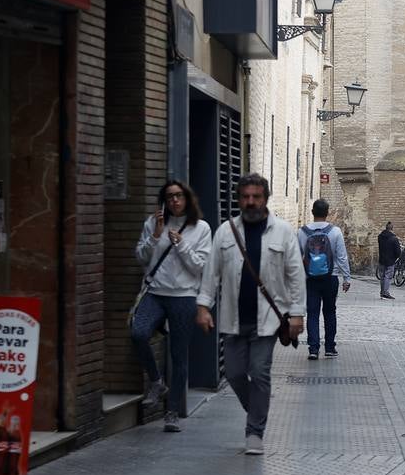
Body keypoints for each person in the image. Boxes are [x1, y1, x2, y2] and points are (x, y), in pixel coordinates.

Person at [195, 173, 305, 456]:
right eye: (245, 197)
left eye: (256, 197)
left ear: (265, 199)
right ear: (239, 199)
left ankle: (254, 430)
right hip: (233, 318)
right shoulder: (225, 231)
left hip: (268, 319)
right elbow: (211, 272)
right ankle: (257, 408)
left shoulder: (282, 232)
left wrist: (297, 314)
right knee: (232, 373)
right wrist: (203, 306)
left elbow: (295, 275)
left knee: (259, 372)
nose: (251, 202)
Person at [131, 180, 212, 433]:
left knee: (179, 355)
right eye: (169, 197)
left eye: (178, 196)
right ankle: (156, 382)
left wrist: (182, 245)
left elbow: (200, 266)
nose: (174, 201)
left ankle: (172, 412)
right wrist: (155, 236)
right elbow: (141, 258)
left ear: (187, 198)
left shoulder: (200, 228)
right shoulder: (153, 223)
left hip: (184, 296)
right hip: (154, 292)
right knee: (138, 333)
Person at [299, 199, 351, 359]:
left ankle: (313, 349)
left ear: (312, 212)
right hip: (331, 277)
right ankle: (329, 347)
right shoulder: (335, 232)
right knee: (330, 312)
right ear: (327, 213)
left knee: (312, 313)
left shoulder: (302, 232)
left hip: (310, 279)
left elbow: (296, 257)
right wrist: (346, 277)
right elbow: (341, 256)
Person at [377, 221, 401, 299]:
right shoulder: (394, 238)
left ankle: (382, 292)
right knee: (388, 276)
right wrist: (396, 257)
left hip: (381, 259)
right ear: (392, 229)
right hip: (390, 260)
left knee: (382, 276)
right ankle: (385, 293)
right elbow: (398, 251)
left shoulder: (380, 237)